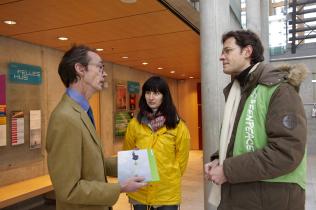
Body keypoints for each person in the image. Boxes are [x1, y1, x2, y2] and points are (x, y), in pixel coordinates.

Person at [204, 30, 308, 210]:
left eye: (227, 51)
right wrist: (219, 159)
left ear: (247, 52)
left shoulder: (280, 89)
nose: (221, 57)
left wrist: (228, 170)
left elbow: (286, 152)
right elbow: (239, 139)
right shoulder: (240, 91)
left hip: (272, 199)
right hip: (244, 195)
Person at [46, 45, 146, 210]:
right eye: (100, 67)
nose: (104, 74)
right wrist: (119, 187)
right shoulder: (64, 118)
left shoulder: (82, 112)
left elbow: (95, 164)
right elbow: (68, 189)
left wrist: (132, 162)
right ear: (80, 69)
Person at [123, 76, 191, 210]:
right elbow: (128, 152)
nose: (151, 97)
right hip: (140, 190)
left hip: (167, 192)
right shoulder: (135, 124)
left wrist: (169, 175)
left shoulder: (178, 126)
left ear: (164, 96)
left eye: (156, 93)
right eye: (148, 93)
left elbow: (181, 161)